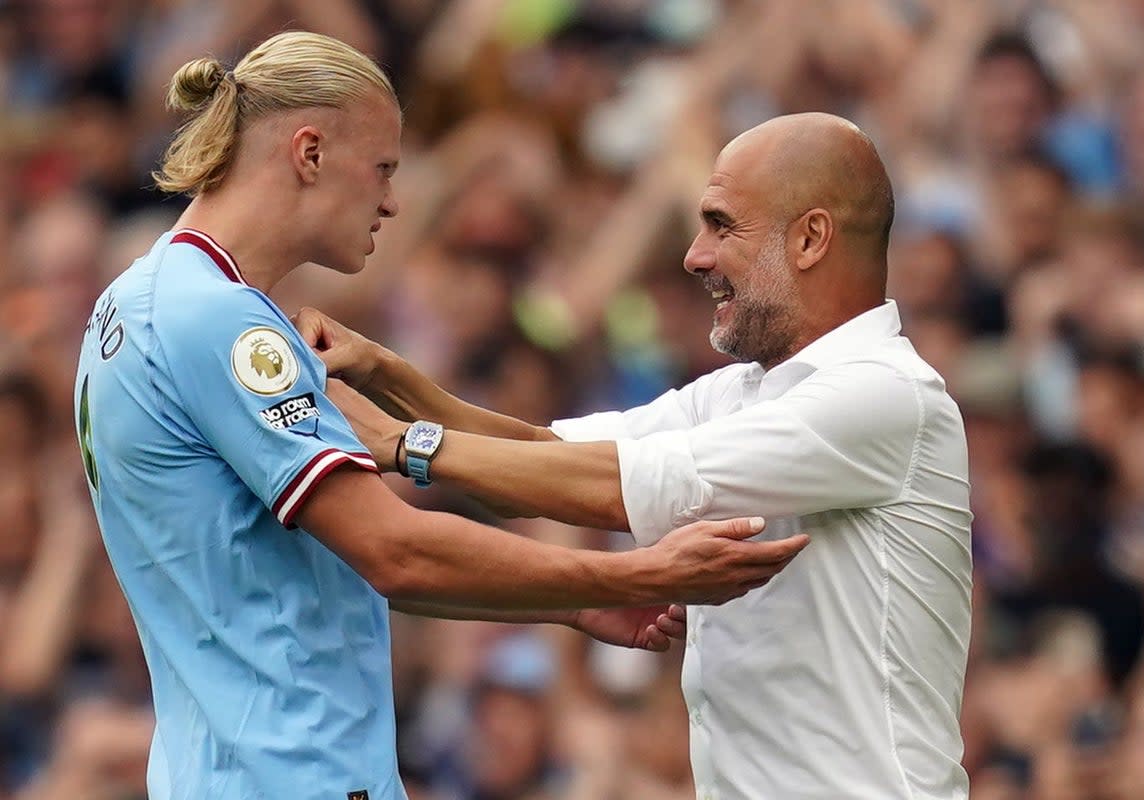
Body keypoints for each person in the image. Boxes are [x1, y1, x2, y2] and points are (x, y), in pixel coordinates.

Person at [72, 32, 811, 800]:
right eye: (384, 169)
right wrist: (636, 573)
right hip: (291, 777)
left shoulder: (132, 301)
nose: (394, 201)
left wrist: (577, 596)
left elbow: (357, 569)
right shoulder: (220, 322)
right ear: (310, 152)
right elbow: (395, 550)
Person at [299, 112, 974, 799]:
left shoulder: (883, 393)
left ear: (810, 238)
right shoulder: (743, 392)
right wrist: (386, 375)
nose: (695, 255)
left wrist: (403, 444)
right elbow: (539, 456)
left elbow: (621, 488)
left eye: (721, 225)